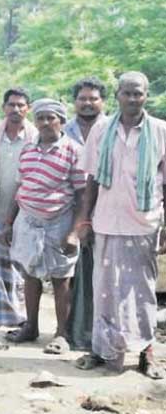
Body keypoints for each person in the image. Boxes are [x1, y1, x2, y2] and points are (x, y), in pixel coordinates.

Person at [74, 71, 166, 379]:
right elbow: (92, 179)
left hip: (144, 221)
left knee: (142, 291)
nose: (132, 99)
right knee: (105, 289)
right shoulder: (101, 130)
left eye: (138, 93)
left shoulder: (160, 131)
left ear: (146, 96)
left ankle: (146, 352)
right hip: (107, 221)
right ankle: (103, 350)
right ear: (117, 95)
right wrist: (84, 219)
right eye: (126, 93)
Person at [4, 99, 85, 354]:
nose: (46, 123)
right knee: (30, 275)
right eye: (41, 118)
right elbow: (21, 188)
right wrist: (9, 222)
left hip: (59, 221)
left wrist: (74, 232)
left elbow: (83, 196)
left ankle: (61, 335)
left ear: (61, 120)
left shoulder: (74, 150)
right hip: (27, 220)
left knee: (61, 280)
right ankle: (31, 327)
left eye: (51, 118)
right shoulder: (28, 150)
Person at [0, 87, 37, 327]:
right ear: (4, 108)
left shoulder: (36, 136)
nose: (16, 109)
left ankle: (18, 314)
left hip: (25, 213)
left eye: (21, 105)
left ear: (28, 109)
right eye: (11, 105)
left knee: (19, 265)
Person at [63, 77, 107, 351]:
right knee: (72, 274)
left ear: (103, 101)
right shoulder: (63, 129)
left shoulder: (112, 128)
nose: (88, 103)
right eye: (82, 99)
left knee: (99, 274)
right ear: (75, 101)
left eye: (93, 98)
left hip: (107, 211)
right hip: (70, 210)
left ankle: (97, 334)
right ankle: (69, 331)